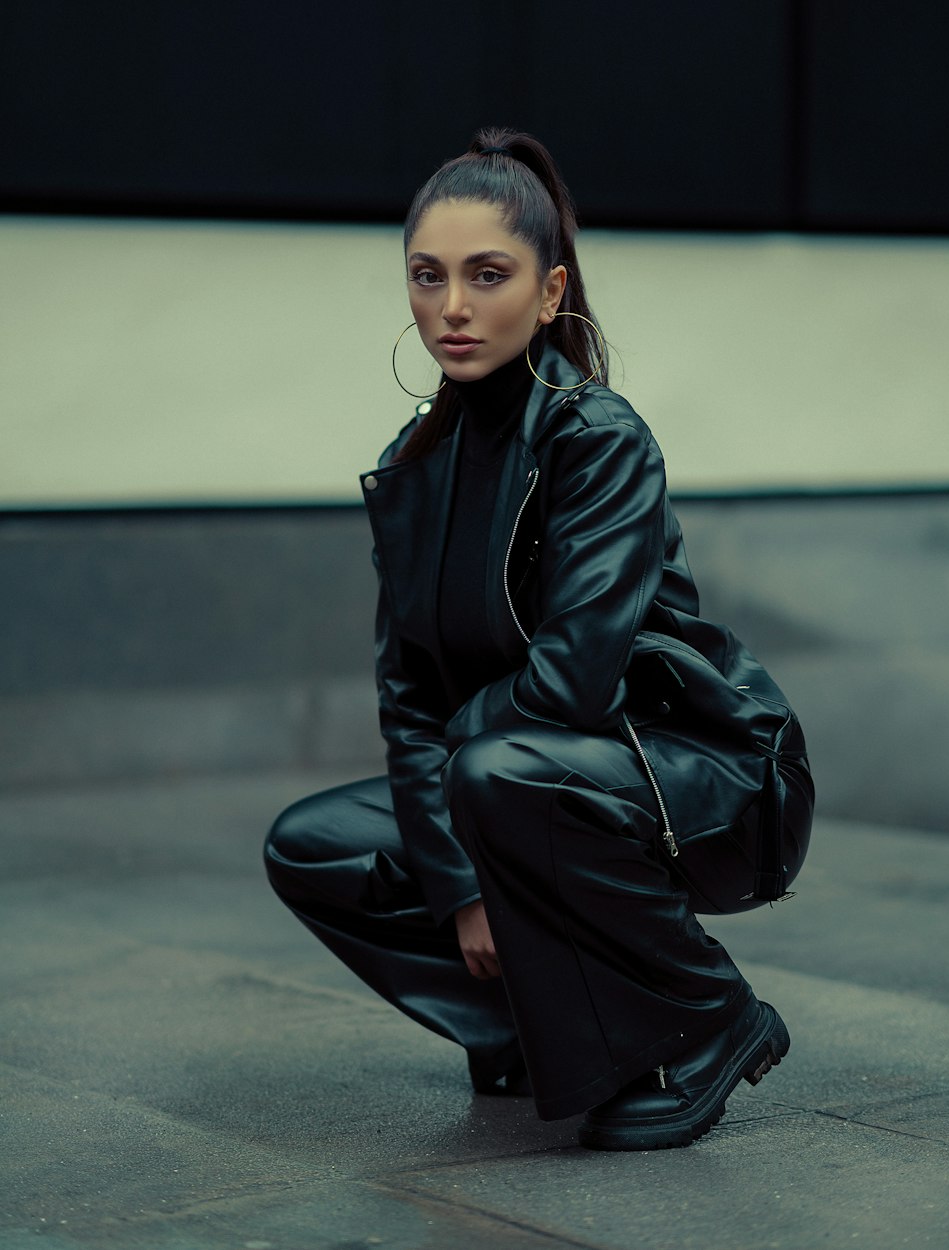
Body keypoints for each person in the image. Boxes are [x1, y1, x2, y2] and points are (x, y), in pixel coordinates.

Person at [264, 127, 795, 1151]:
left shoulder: (596, 438)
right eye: (428, 276)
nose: (451, 307)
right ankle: (530, 1017)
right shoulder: (411, 462)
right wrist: (462, 886)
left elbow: (573, 682)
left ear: (549, 293)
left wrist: (459, 775)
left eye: (487, 274)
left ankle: (709, 1015)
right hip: (515, 776)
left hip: (693, 776)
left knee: (493, 767)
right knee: (316, 846)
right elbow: (405, 696)